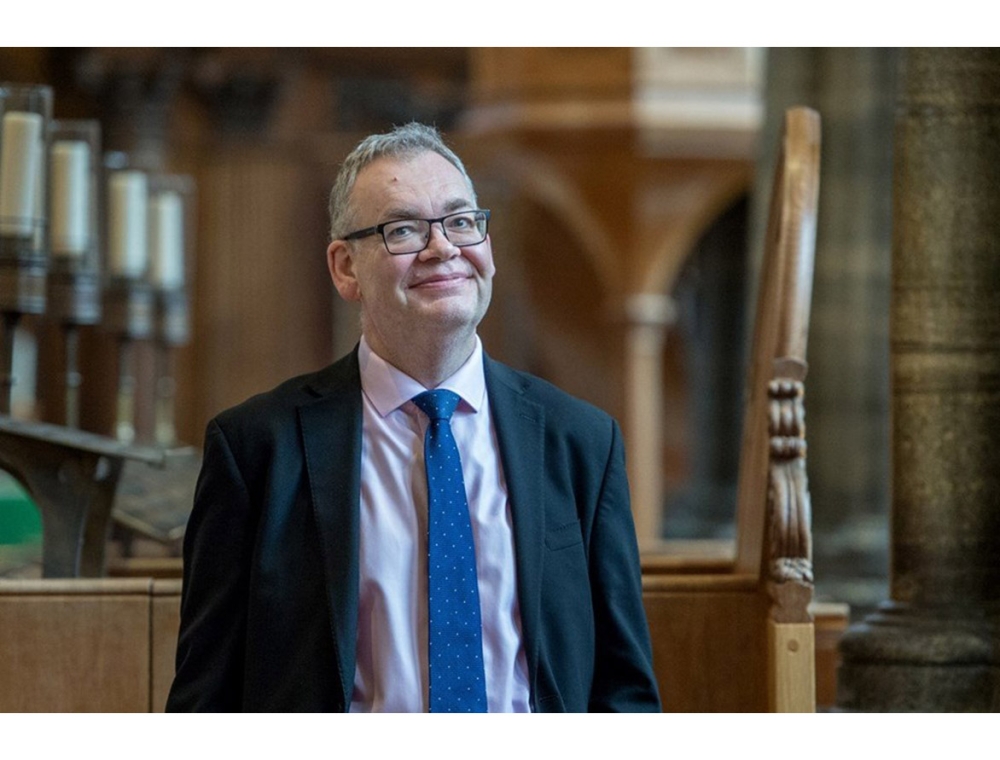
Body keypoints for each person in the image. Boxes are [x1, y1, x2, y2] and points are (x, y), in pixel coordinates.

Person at [166, 123, 660, 713]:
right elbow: (206, 701)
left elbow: (623, 690)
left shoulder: (581, 441)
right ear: (345, 267)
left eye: (460, 221)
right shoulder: (255, 450)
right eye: (403, 230)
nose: (443, 248)